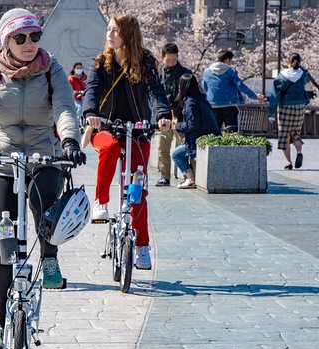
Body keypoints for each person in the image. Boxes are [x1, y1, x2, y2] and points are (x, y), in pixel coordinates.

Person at [0, 8, 86, 349]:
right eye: (20, 38)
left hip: (45, 154)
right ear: (6, 42)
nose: (29, 44)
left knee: (44, 210)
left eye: (35, 36)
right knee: (4, 243)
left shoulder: (52, 69)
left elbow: (64, 106)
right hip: (2, 158)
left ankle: (50, 255)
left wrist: (70, 141)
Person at [82, 14, 172, 271]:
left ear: (128, 35)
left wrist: (163, 115)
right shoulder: (101, 63)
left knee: (137, 194)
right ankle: (101, 201)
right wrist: (90, 113)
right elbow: (92, 91)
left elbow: (155, 93)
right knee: (109, 148)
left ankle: (142, 246)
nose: (109, 35)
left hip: (138, 131)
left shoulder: (145, 63)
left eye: (115, 31)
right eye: (108, 29)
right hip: (107, 127)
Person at [171, 74, 220, 189]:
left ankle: (190, 179)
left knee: (176, 154)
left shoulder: (190, 102)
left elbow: (192, 124)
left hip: (199, 141)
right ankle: (190, 178)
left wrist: (177, 126)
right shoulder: (202, 99)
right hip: (209, 137)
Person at [202, 49, 266, 133]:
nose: (230, 63)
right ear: (227, 60)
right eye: (230, 61)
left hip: (213, 106)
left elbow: (205, 87)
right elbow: (241, 86)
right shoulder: (231, 71)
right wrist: (255, 96)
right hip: (230, 106)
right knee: (232, 134)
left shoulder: (207, 72)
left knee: (213, 134)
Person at [156, 43, 192, 187]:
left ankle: (188, 176)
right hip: (164, 116)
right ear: (162, 58)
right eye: (168, 60)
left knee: (184, 147)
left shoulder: (185, 73)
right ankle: (164, 176)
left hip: (180, 116)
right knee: (163, 148)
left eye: (174, 60)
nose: (171, 63)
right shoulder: (158, 73)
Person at [268, 53, 311, 170]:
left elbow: (275, 95)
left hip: (285, 107)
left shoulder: (282, 77)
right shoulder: (303, 75)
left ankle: (288, 163)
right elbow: (306, 78)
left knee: (284, 136)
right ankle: (299, 152)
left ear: (288, 62)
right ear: (299, 62)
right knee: (295, 133)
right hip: (299, 107)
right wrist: (300, 67)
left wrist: (271, 113)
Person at [68, 62, 88, 129]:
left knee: (87, 108)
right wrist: (77, 93)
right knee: (80, 107)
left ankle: (85, 125)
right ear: (74, 69)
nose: (79, 69)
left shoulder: (85, 77)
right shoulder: (71, 78)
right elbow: (69, 89)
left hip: (84, 97)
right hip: (75, 98)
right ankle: (75, 123)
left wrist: (85, 92)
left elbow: (89, 86)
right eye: (77, 68)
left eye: (80, 68)